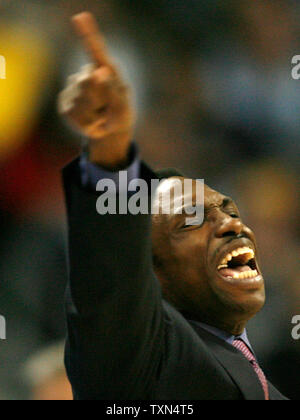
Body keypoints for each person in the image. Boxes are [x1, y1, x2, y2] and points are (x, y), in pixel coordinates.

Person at [58, 12, 287, 400]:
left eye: (230, 210)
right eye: (189, 222)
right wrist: (109, 154)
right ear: (149, 275)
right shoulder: (141, 356)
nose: (233, 226)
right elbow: (112, 283)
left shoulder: (262, 373)